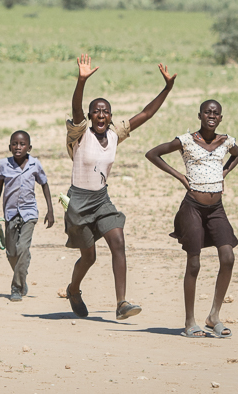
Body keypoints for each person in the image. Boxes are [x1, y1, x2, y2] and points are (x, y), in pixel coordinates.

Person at [64, 53, 176, 321]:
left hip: (101, 199)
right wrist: (81, 82)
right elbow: (76, 109)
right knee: (88, 258)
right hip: (79, 201)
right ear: (91, 116)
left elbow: (146, 114)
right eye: (96, 111)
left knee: (118, 241)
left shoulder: (115, 134)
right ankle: (74, 289)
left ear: (110, 116)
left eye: (105, 111)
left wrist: (167, 88)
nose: (101, 114)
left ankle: (121, 303)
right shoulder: (80, 134)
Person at [145, 99, 238, 339]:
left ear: (220, 118)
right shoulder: (186, 140)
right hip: (192, 208)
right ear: (199, 115)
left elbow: (237, 155)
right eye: (207, 112)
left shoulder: (226, 141)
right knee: (194, 262)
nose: (212, 115)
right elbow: (153, 153)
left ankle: (214, 316)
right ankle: (190, 321)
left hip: (216, 208)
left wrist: (225, 171)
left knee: (228, 257)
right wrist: (179, 175)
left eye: (216, 113)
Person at [0, 130, 54, 302]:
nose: (18, 147)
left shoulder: (35, 165)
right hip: (10, 213)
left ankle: (16, 287)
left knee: (23, 248)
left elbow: (44, 184)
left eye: (22, 144)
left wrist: (50, 210)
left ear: (29, 147)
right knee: (11, 253)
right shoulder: (3, 165)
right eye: (14, 144)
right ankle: (22, 276)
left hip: (29, 212)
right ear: (9, 147)